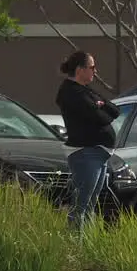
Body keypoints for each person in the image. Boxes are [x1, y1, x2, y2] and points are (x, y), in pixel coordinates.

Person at [55, 50, 121, 227]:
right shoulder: (71, 93)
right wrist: (101, 109)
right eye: (92, 67)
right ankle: (75, 246)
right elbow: (101, 118)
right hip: (85, 153)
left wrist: (102, 105)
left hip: (98, 154)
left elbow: (115, 110)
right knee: (81, 205)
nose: (95, 71)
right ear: (80, 69)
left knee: (91, 205)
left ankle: (88, 245)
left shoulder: (86, 90)